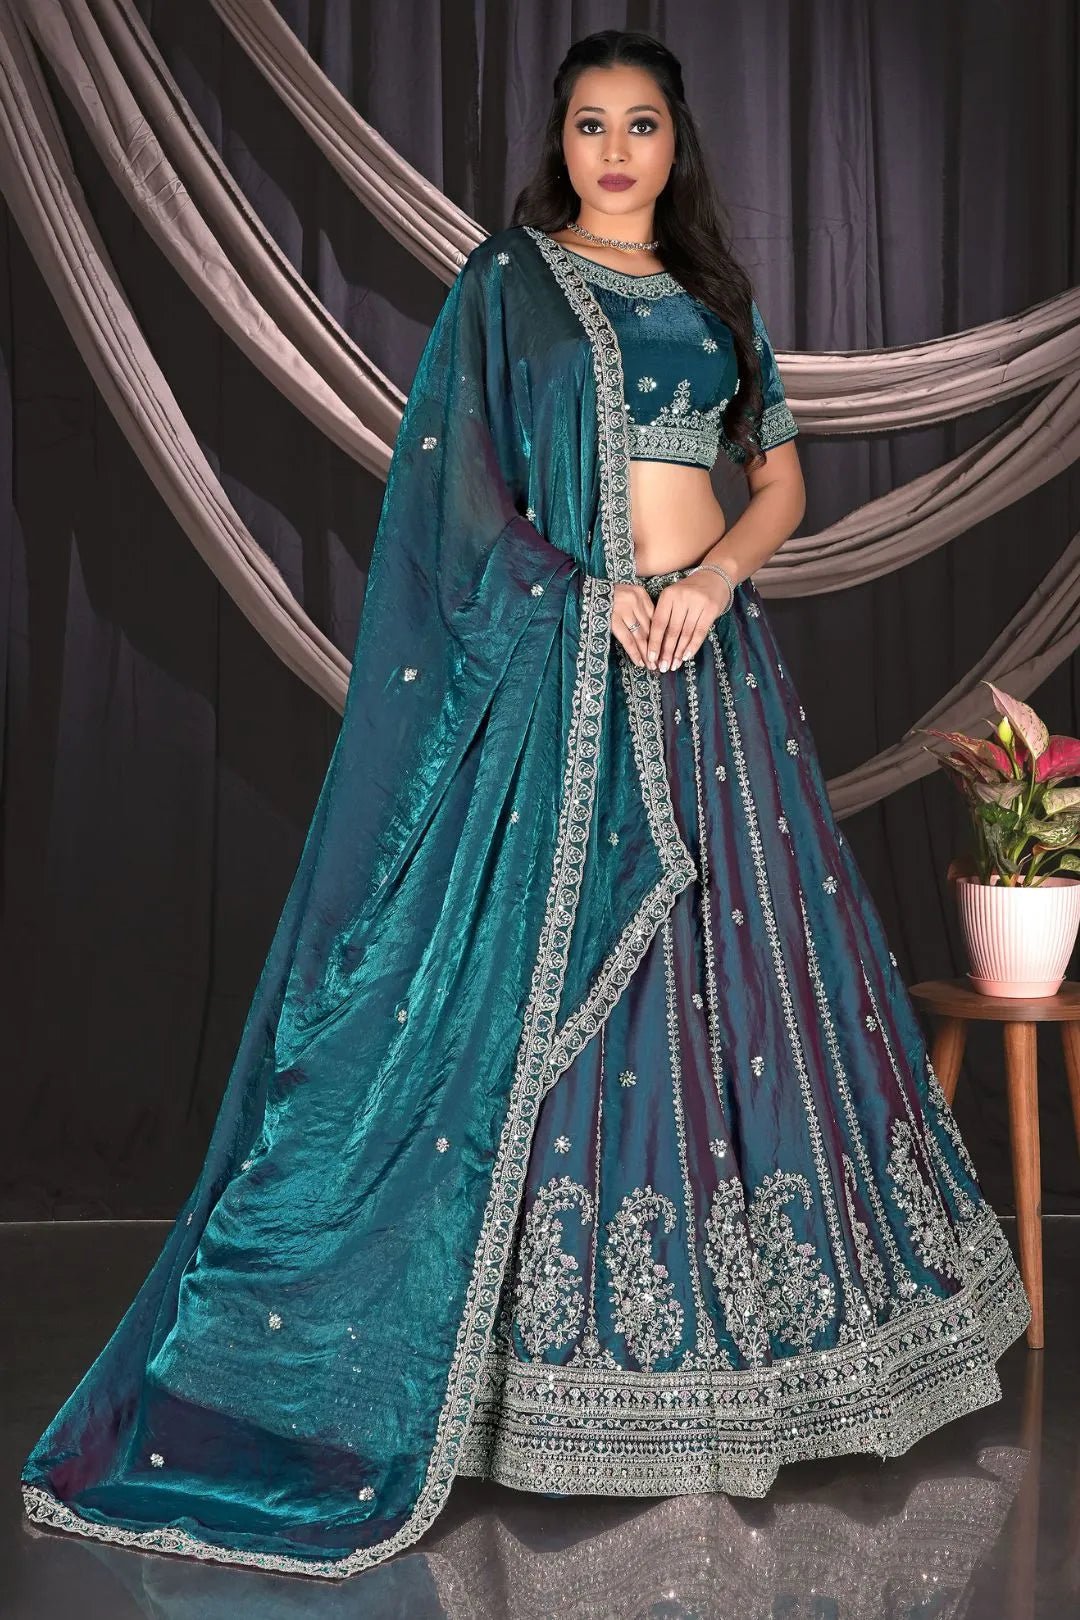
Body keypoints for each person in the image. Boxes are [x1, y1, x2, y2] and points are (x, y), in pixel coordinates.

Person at [22, 27, 1029, 1582]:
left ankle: (752, 1356)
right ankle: (521, 1382)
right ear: (559, 143)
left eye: (641, 125)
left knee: (744, 996)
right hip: (578, 673)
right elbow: (458, 498)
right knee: (542, 994)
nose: (615, 152)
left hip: (714, 670)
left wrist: (711, 581)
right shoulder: (509, 289)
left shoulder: (716, 300)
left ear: (676, 145)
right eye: (589, 125)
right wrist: (582, 593)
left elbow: (778, 480)